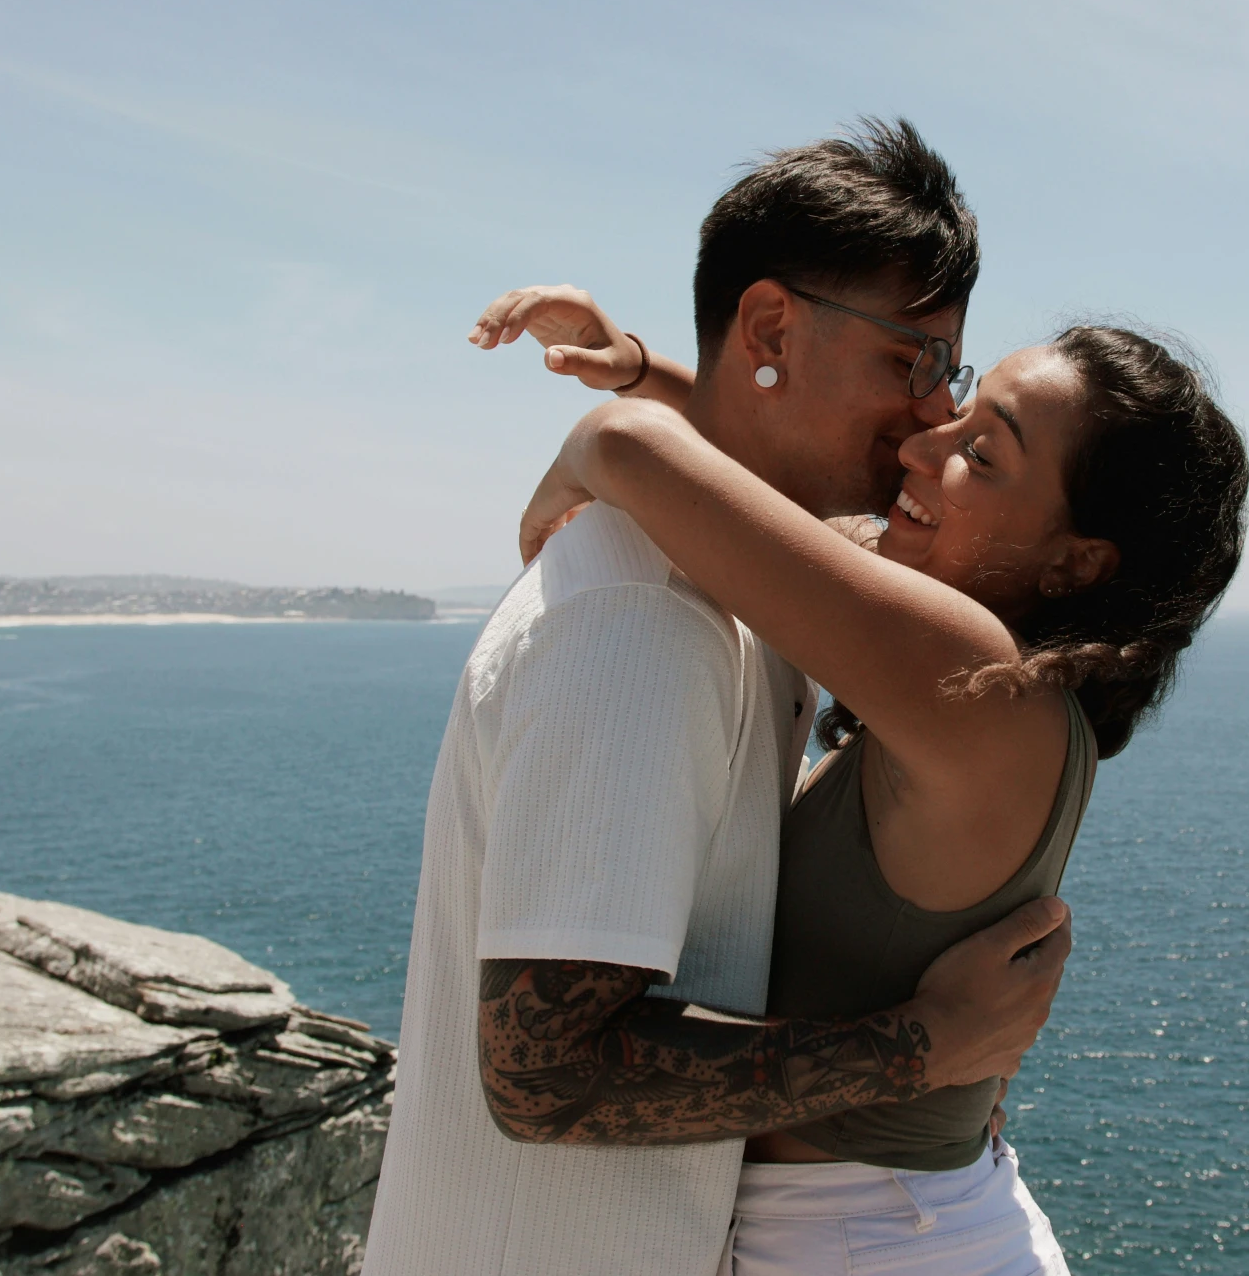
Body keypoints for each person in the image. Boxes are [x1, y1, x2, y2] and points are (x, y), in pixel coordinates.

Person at [362, 120, 1076, 1276]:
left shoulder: (760, 575)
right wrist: (917, 1049)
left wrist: (636, 384)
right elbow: (544, 1074)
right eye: (913, 360)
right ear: (771, 329)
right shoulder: (644, 627)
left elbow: (739, 461)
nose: (932, 413)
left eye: (948, 367)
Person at [477, 267, 1249, 1271]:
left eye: (980, 451)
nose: (919, 443)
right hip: (885, 1228)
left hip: (883, 1240)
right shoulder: (964, 688)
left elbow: (646, 464)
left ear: (1076, 561)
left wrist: (601, 435)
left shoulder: (986, 690)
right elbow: (772, 509)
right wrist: (641, 369)